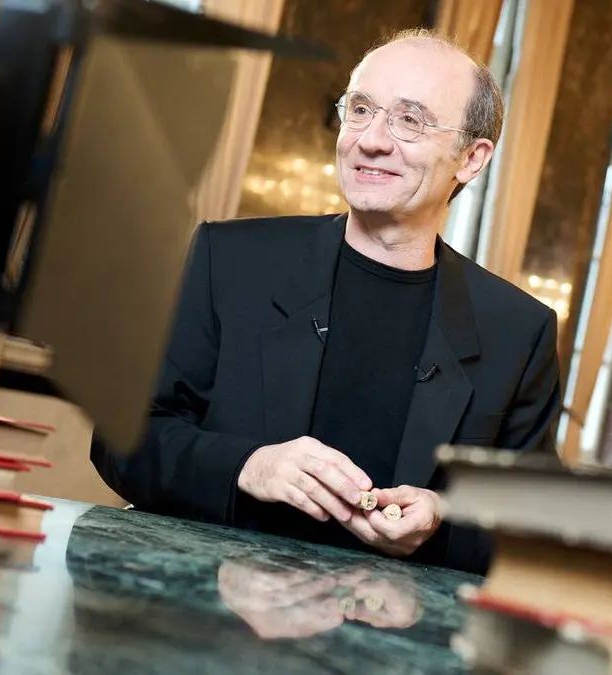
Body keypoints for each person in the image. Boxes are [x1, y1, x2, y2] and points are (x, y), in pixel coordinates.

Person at [91, 29, 562, 576]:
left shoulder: (517, 331)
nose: (370, 140)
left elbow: (533, 531)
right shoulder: (232, 260)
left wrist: (442, 519)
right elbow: (123, 441)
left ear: (472, 158)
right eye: (360, 109)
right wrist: (248, 467)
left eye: (409, 120)